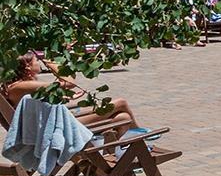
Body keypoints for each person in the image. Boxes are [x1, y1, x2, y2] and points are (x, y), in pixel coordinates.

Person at [4, 52, 140, 129]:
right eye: (36, 61)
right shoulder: (20, 86)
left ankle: (121, 155)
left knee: (123, 118)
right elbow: (69, 83)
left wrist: (65, 98)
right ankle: (142, 138)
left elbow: (37, 103)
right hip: (56, 128)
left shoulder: (19, 86)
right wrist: (51, 62)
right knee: (121, 103)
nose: (39, 63)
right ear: (27, 66)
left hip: (51, 124)